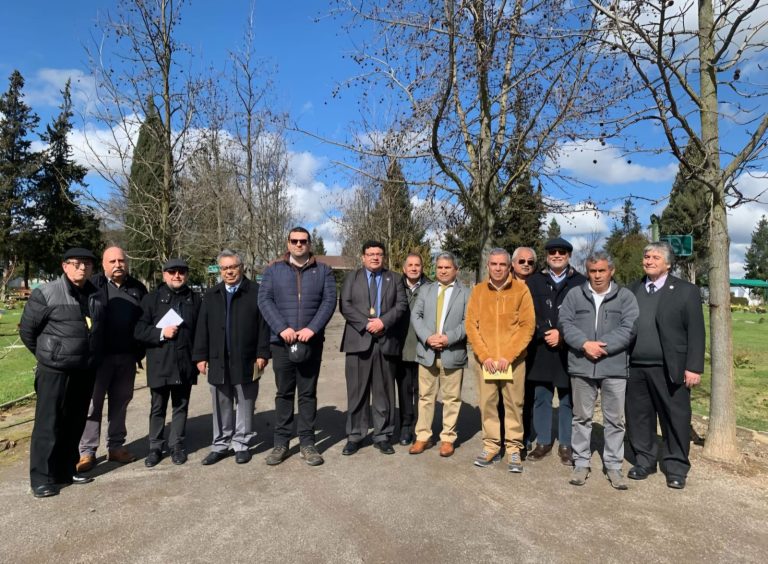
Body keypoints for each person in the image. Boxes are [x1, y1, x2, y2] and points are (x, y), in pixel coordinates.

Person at [19, 248, 106, 498]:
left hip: (84, 369)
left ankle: (66, 470)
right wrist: (49, 355)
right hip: (54, 370)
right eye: (77, 263)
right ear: (64, 266)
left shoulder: (96, 295)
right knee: (48, 423)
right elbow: (28, 331)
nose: (82, 268)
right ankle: (42, 478)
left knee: (74, 421)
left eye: (87, 264)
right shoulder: (46, 293)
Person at [626, 242, 705, 490]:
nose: (649, 261)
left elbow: (696, 332)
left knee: (675, 418)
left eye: (655, 257)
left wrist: (694, 367)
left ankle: (676, 467)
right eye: (646, 256)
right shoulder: (632, 290)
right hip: (635, 368)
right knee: (639, 418)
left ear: (668, 263)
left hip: (671, 368)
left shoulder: (686, 291)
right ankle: (644, 460)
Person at [559, 251, 639, 489]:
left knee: (614, 420)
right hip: (582, 366)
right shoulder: (575, 295)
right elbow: (565, 322)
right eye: (592, 271)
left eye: (602, 270)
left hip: (613, 367)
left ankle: (613, 466)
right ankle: (581, 463)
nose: (597, 276)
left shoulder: (625, 297)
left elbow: (629, 327)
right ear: (587, 271)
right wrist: (584, 344)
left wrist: (601, 348)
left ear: (611, 271)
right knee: (581, 417)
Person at [258, 227, 337, 467]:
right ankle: (281, 442)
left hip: (311, 341)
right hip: (281, 342)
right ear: (288, 243)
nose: (299, 244)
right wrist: (282, 328)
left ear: (310, 244)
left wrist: (312, 329)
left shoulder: (323, 271)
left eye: (303, 241)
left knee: (307, 393)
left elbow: (329, 300)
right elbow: (264, 300)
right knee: (284, 393)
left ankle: (307, 443)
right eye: (295, 241)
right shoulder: (273, 270)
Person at [192, 250, 271, 465]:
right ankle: (220, 444)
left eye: (233, 267)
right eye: (225, 268)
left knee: (245, 401)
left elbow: (264, 326)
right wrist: (200, 356)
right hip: (218, 359)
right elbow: (202, 328)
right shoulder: (211, 295)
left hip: (247, 358)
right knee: (220, 403)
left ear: (241, 267)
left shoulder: (256, 292)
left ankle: (242, 444)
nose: (229, 272)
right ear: (220, 271)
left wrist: (262, 352)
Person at [77, 246, 147, 471]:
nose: (118, 264)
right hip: (98, 359)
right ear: (104, 264)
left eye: (121, 260)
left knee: (120, 403)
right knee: (92, 406)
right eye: (112, 261)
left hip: (126, 357)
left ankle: (116, 447)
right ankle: (87, 452)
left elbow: (146, 320)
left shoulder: (138, 288)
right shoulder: (92, 286)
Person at [465, 248, 535, 473]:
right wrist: (485, 357)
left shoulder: (521, 291)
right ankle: (491, 445)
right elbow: (471, 326)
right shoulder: (478, 291)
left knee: (515, 405)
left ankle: (514, 448)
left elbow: (527, 326)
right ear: (488, 266)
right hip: (485, 363)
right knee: (487, 405)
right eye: (493, 264)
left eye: (502, 265)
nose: (497, 268)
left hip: (512, 363)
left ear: (509, 267)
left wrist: (509, 355)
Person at [339, 241, 408, 455]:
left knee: (384, 393)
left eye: (379, 254)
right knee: (357, 393)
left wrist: (383, 322)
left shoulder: (395, 278)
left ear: (384, 257)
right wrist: (366, 323)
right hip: (358, 341)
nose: (375, 257)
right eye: (370, 254)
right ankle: (355, 435)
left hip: (385, 341)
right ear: (363, 257)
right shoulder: (352, 277)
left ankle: (382, 435)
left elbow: (402, 305)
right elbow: (345, 304)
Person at [524, 237, 586, 465]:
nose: (557, 255)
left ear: (569, 255)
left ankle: (566, 444)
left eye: (561, 252)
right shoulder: (534, 281)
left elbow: (584, 315)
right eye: (552, 252)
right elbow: (527, 312)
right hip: (541, 349)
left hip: (568, 350)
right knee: (541, 397)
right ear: (547, 256)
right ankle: (543, 441)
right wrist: (544, 331)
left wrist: (561, 333)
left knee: (568, 398)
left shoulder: (580, 282)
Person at [134, 259, 201, 467]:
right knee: (158, 407)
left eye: (181, 272)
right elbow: (138, 330)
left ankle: (177, 445)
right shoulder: (150, 300)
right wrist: (161, 333)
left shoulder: (195, 299)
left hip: (184, 363)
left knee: (181, 406)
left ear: (186, 275)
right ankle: (155, 447)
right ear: (164, 275)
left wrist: (200, 358)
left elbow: (201, 332)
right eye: (172, 272)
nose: (177, 276)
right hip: (160, 363)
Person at [408, 252, 469, 457]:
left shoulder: (466, 293)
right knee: (425, 397)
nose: (443, 271)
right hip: (427, 352)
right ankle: (423, 436)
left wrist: (448, 338)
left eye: (447, 267)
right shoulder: (426, 290)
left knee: (452, 398)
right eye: (440, 267)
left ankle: (447, 439)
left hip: (452, 352)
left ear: (456, 270)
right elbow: (416, 316)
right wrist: (428, 337)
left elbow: (468, 322)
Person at [395, 252, 430, 445]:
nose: (414, 268)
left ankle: (422, 428)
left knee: (423, 391)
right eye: (410, 265)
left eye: (418, 265)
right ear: (404, 268)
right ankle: (406, 427)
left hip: (424, 347)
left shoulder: (431, 287)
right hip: (401, 347)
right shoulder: (395, 285)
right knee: (405, 390)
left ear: (422, 268)